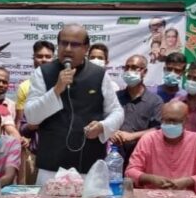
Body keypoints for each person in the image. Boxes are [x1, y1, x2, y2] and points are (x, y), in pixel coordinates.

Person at [24, 23, 123, 184]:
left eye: (75, 44)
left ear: (86, 48)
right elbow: (31, 116)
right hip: (51, 168)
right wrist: (56, 89)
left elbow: (117, 112)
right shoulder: (43, 72)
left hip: (89, 166)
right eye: (64, 43)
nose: (68, 49)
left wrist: (102, 127)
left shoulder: (99, 74)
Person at [125, 100, 196, 196]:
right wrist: (150, 179)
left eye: (175, 121)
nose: (170, 124)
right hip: (152, 195)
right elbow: (130, 171)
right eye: (166, 120)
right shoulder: (148, 139)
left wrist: (188, 181)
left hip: (186, 197)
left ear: (186, 121)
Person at [111, 54, 162, 164]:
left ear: (145, 72)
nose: (129, 71)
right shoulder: (115, 97)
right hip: (115, 155)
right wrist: (111, 133)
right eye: (127, 67)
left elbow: (158, 129)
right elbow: (105, 120)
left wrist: (132, 136)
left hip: (141, 156)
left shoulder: (155, 101)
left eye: (134, 68)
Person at [15, 40, 55, 127]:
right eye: (39, 56)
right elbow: (20, 121)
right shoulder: (24, 87)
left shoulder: (60, 83)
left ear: (54, 59)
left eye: (48, 57)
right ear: (33, 59)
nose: (44, 60)